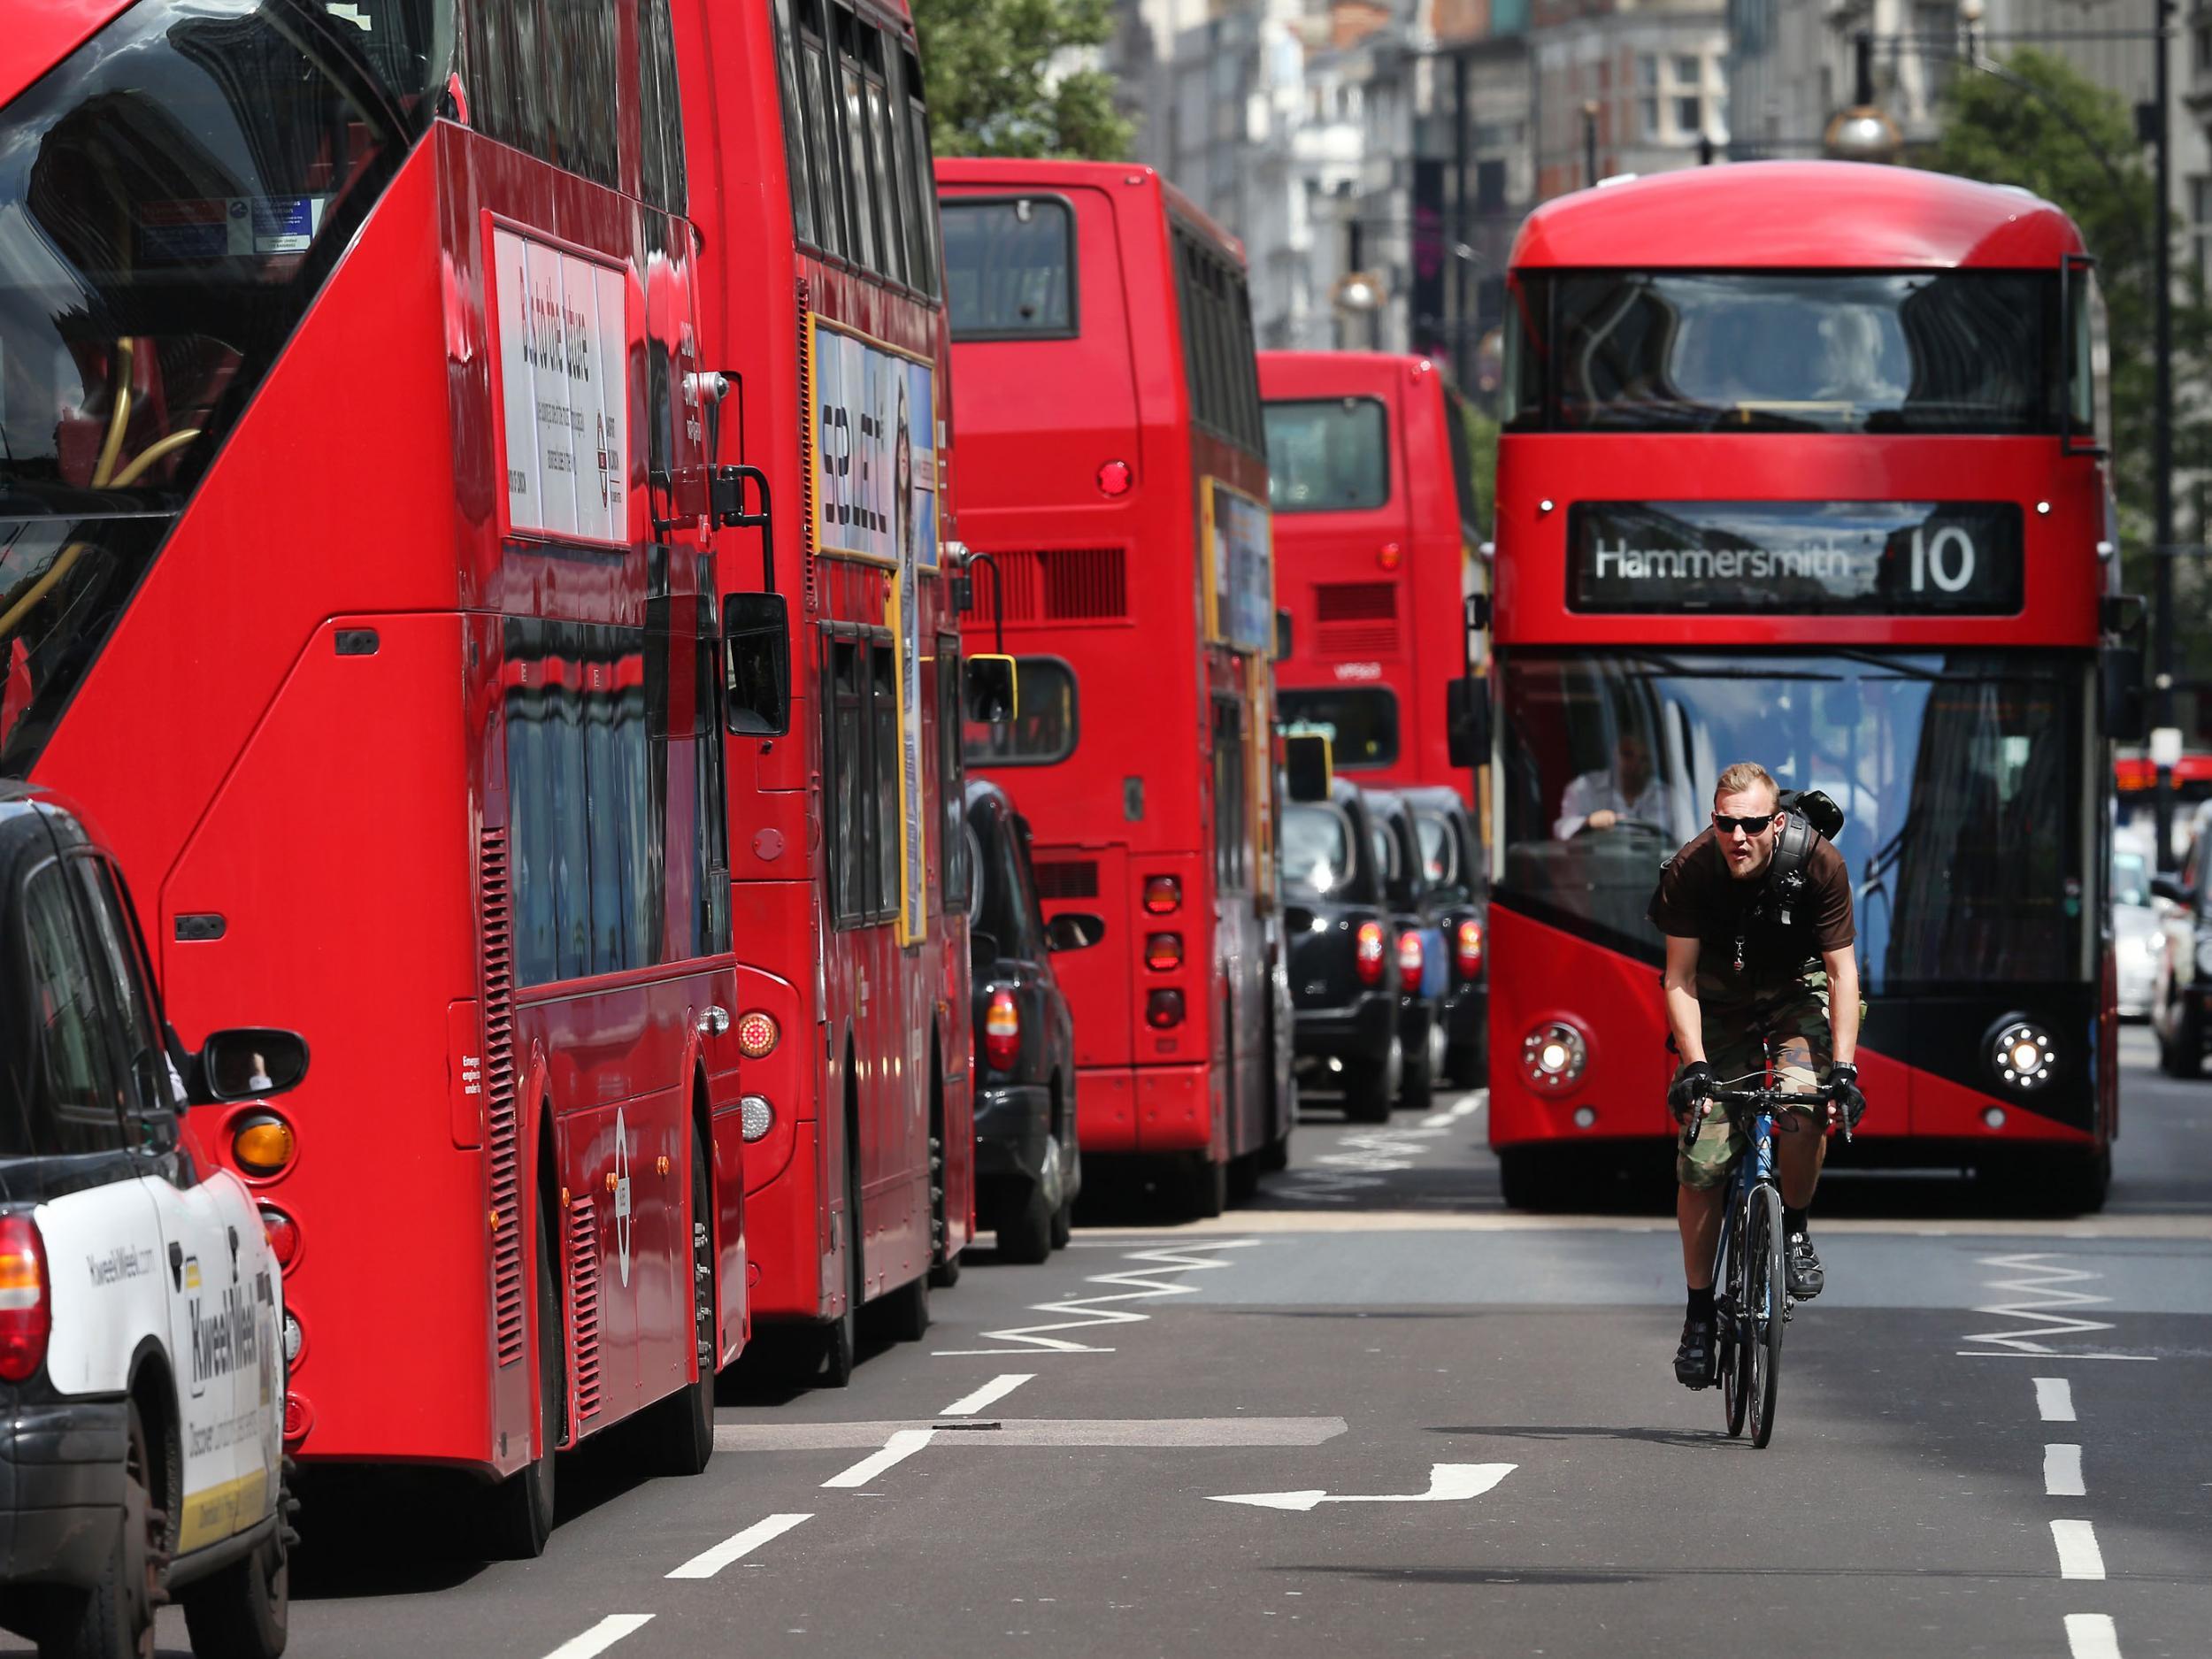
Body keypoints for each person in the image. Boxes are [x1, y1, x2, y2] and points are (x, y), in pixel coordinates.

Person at [1647, 760, 1867, 1390]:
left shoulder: (1820, 863)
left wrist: (1845, 1068)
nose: (1737, 836)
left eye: (1749, 824)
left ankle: (1793, 1227)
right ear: (1713, 820)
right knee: (1703, 1161)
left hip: (1795, 993)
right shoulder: (1692, 870)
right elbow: (1679, 977)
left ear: (1776, 823)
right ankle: (1697, 1317)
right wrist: (1694, 1065)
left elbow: (1841, 972)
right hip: (1717, 1002)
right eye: (1725, 823)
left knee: (1804, 1104)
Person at [1555, 733, 1675, 840]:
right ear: (1613, 754)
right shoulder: (1584, 788)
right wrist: (1589, 822)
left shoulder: (1669, 797)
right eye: (1627, 755)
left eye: (1643, 759)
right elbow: (1562, 829)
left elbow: (1687, 841)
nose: (1635, 763)